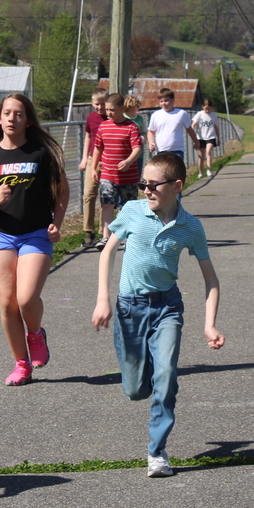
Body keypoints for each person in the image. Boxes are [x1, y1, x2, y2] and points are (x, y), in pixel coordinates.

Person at [92, 152, 224, 477]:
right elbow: (107, 252)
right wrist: (103, 299)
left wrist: (209, 325)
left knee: (166, 377)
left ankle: (157, 451)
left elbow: (211, 279)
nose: (147, 190)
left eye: (154, 185)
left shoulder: (190, 227)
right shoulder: (132, 211)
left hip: (167, 308)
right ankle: (147, 377)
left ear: (177, 186)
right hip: (129, 309)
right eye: (143, 185)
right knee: (136, 389)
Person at [0, 94, 69, 387]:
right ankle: (21, 364)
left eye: (19, 114)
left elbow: (62, 191)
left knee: (26, 299)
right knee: (7, 303)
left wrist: (56, 224)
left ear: (28, 121)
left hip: (36, 234)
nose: (12, 118)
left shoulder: (40, 154)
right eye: (7, 113)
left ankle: (35, 335)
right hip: (2, 234)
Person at [92, 93, 142, 248]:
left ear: (121, 108)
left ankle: (128, 237)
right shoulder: (103, 126)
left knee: (128, 207)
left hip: (128, 176)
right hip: (108, 173)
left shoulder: (131, 127)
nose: (108, 113)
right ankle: (106, 237)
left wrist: (128, 161)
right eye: (107, 109)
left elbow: (137, 148)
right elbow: (98, 148)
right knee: (107, 204)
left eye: (112, 110)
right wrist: (94, 168)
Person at [79, 87, 109, 247]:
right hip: (93, 160)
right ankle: (88, 231)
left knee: (106, 197)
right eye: (97, 104)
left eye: (103, 104)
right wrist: (85, 158)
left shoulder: (112, 117)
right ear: (92, 103)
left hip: (108, 161)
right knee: (88, 195)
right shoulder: (91, 118)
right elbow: (88, 137)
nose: (100, 107)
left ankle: (104, 231)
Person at [147, 88, 200, 162]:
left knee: (176, 169)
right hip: (161, 150)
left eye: (166, 100)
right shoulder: (155, 115)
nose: (163, 103)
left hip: (177, 150)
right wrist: (151, 143)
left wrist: (196, 142)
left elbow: (189, 129)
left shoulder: (182, 113)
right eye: (161, 101)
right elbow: (151, 131)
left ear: (173, 100)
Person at [192, 99, 221, 177]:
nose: (207, 111)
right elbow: (193, 124)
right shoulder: (199, 114)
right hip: (201, 137)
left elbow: (216, 127)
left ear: (211, 108)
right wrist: (192, 133)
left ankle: (209, 170)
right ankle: (201, 172)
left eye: (209, 109)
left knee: (208, 152)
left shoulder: (214, 115)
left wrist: (218, 138)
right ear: (203, 107)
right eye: (206, 109)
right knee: (201, 156)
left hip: (211, 136)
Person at [123, 94, 147, 180]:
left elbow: (144, 132)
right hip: (124, 153)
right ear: (130, 107)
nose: (139, 108)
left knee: (136, 177)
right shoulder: (122, 118)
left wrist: (141, 139)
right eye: (137, 106)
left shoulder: (140, 119)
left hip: (138, 154)